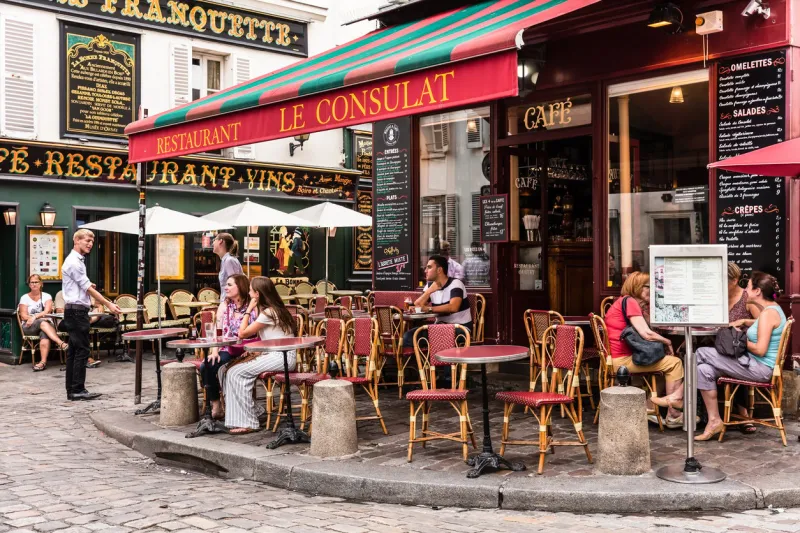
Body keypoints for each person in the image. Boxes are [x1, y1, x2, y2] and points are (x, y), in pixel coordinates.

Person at [692, 271, 787, 441]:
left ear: (757, 291)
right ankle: (714, 421)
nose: (745, 290)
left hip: (760, 368)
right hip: (756, 365)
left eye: (749, 287)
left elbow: (760, 350)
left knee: (700, 352)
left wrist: (739, 340)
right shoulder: (772, 310)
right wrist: (744, 321)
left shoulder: (767, 314)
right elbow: (762, 324)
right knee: (703, 369)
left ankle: (678, 397)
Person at [604, 271, 684, 427]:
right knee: (675, 363)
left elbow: (651, 324)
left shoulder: (624, 302)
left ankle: (649, 407)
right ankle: (674, 415)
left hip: (615, 359)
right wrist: (667, 341)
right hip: (622, 362)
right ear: (639, 287)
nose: (653, 291)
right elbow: (646, 334)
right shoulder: (630, 302)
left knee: (663, 365)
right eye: (649, 287)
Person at [223, 276, 298, 434]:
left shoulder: (269, 313)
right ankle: (252, 411)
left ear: (257, 294)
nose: (248, 292)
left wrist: (248, 310)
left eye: (250, 290)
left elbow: (242, 333)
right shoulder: (275, 309)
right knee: (228, 370)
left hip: (281, 357)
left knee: (235, 372)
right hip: (278, 355)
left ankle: (250, 420)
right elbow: (272, 338)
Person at [60, 229, 121, 401]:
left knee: (74, 350)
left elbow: (80, 286)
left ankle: (72, 389)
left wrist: (87, 287)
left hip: (75, 311)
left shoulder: (76, 261)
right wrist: (108, 303)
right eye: (87, 240)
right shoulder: (74, 262)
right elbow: (87, 289)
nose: (90, 244)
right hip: (77, 312)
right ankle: (77, 389)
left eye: (92, 242)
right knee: (82, 350)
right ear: (76, 241)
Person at [202, 274, 257, 420]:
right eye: (226, 284)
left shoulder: (252, 305)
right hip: (227, 348)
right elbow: (217, 329)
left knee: (226, 370)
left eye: (230, 284)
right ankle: (216, 405)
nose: (226, 287)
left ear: (240, 286)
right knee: (207, 365)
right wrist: (215, 350)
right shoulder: (225, 305)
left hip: (247, 349)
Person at [403, 255, 472, 348]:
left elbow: (453, 307)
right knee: (408, 337)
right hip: (439, 327)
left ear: (439, 270)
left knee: (430, 337)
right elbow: (417, 305)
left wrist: (429, 309)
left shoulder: (455, 284)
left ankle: (437, 361)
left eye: (429, 267)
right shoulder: (430, 286)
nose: (425, 271)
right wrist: (429, 291)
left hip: (460, 327)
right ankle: (423, 362)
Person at [18, 274, 67, 372]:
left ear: (41, 284)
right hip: (29, 326)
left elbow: (47, 311)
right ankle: (60, 343)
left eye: (36, 282)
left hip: (45, 326)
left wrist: (34, 317)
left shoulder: (46, 296)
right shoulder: (24, 298)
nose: (34, 284)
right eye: (32, 282)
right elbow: (23, 316)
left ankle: (42, 362)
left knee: (44, 332)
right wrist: (34, 319)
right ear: (29, 284)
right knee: (42, 322)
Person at [727, 262, 761, 328]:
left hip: (742, 338)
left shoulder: (747, 297)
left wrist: (743, 321)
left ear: (734, 281)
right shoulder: (717, 298)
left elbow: (763, 321)